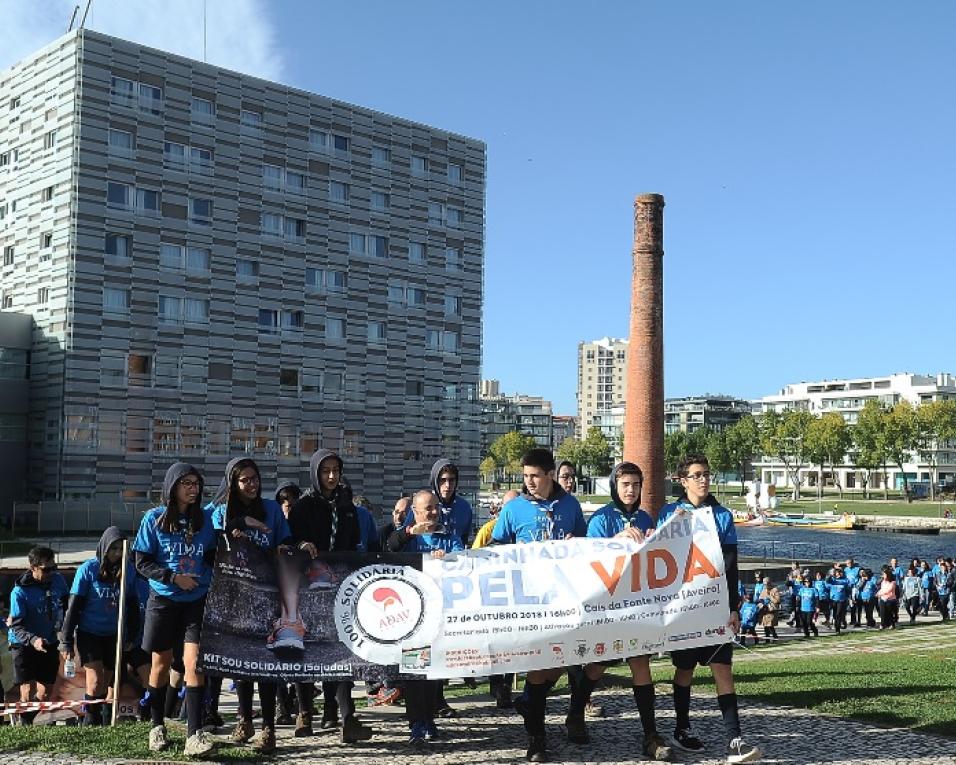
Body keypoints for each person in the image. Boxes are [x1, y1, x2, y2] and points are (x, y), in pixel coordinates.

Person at [656, 454, 761, 764]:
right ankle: (682, 726)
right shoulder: (670, 513)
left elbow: (730, 565)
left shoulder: (723, 515)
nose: (703, 479)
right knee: (685, 669)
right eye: (697, 474)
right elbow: (660, 560)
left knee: (723, 670)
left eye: (706, 474)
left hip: (715, 604)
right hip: (685, 607)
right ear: (683, 480)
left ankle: (734, 738)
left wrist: (733, 607)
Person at [565, 461, 671, 760]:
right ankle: (575, 712)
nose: (631, 490)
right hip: (608, 606)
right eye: (625, 484)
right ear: (615, 486)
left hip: (637, 604)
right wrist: (616, 542)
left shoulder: (645, 517)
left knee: (640, 663)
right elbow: (590, 560)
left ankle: (650, 734)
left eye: (636, 484)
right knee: (599, 663)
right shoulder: (601, 518)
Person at [491, 447, 587, 763]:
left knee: (559, 661)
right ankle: (537, 738)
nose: (529, 482)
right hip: (530, 601)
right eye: (526, 476)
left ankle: (529, 702)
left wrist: (578, 545)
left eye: (535, 476)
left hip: (564, 598)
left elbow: (588, 546)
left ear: (549, 475)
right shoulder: (514, 509)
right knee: (536, 664)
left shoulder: (570, 506)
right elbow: (496, 547)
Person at [286, 449, 373, 744]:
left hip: (339, 584)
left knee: (340, 649)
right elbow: (290, 540)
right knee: (305, 647)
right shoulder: (304, 506)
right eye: (326, 471)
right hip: (308, 585)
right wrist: (302, 544)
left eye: (336, 470)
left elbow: (353, 541)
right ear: (316, 473)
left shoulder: (347, 504)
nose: (332, 476)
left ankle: (344, 715)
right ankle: (304, 711)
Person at [134, 462, 217, 756]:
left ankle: (195, 735)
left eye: (196, 484)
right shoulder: (154, 519)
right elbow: (142, 562)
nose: (193, 489)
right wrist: (173, 578)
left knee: (193, 664)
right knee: (161, 663)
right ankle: (157, 726)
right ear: (172, 487)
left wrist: (202, 573)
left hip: (196, 600)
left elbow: (211, 553)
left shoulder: (205, 519)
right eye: (187, 484)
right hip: (164, 599)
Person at [211, 457, 295, 753]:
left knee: (266, 662)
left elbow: (285, 540)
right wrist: (238, 524)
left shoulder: (271, 509)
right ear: (233, 483)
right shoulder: (222, 511)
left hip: (267, 593)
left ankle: (268, 727)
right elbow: (210, 535)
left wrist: (284, 548)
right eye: (244, 480)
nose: (251, 484)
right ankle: (244, 719)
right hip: (235, 595)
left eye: (255, 478)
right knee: (241, 660)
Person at [387, 490, 464, 747]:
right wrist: (410, 532)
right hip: (411, 614)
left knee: (433, 672)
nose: (431, 513)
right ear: (415, 512)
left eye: (434, 508)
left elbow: (463, 562)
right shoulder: (409, 536)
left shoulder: (448, 536)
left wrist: (449, 560)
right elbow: (389, 546)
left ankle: (429, 718)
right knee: (413, 671)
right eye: (425, 509)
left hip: (439, 613)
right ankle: (415, 723)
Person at [60, 527, 140, 726]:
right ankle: (89, 721)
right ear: (104, 548)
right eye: (113, 549)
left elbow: (132, 605)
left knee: (110, 682)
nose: (117, 554)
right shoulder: (88, 569)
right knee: (95, 681)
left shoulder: (127, 569)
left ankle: (106, 722)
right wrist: (66, 640)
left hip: (115, 634)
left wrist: (132, 634)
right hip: (90, 633)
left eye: (121, 550)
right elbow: (74, 607)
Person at [8, 546, 69, 726]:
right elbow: (17, 626)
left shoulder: (58, 581)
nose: (51, 572)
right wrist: (33, 640)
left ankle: (29, 718)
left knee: (46, 692)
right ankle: (25, 727)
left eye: (53, 567)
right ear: (32, 567)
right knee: (27, 690)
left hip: (49, 640)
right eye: (46, 569)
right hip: (23, 643)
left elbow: (67, 607)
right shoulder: (19, 592)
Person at [473, 489, 519, 709]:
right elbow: (473, 558)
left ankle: (506, 686)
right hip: (493, 596)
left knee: (511, 645)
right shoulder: (488, 530)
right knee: (496, 644)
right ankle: (496, 683)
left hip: (517, 596)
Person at [826, 566, 850, 634]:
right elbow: (827, 581)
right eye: (836, 573)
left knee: (838, 614)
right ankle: (836, 624)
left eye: (839, 573)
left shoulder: (845, 580)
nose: (838, 574)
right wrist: (830, 574)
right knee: (834, 615)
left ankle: (837, 629)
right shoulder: (832, 580)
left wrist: (849, 598)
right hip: (833, 600)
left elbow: (848, 590)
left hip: (841, 600)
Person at [756, 578, 780, 642]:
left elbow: (777, 600)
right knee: (765, 626)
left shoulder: (775, 590)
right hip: (765, 610)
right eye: (764, 583)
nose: (765, 585)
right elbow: (760, 598)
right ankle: (767, 639)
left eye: (766, 583)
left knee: (770, 625)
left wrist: (770, 597)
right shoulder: (763, 590)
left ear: (769, 583)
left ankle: (775, 637)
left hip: (772, 610)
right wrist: (760, 603)